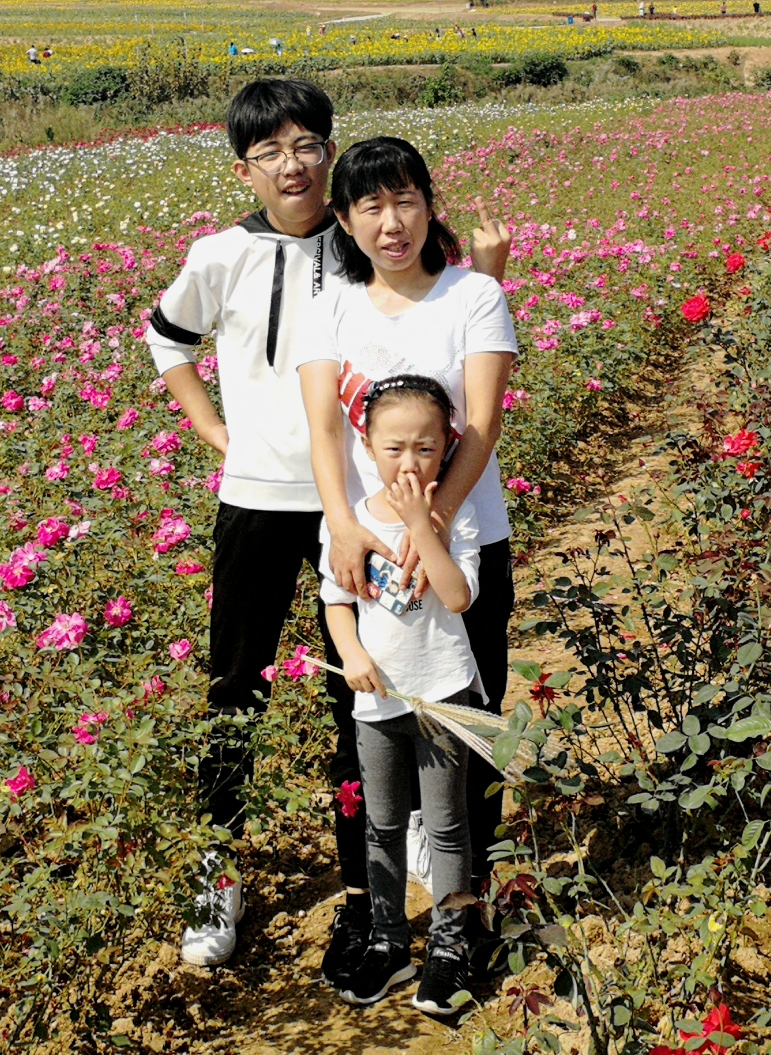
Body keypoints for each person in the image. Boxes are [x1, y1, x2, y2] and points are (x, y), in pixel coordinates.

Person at [147, 81, 511, 972]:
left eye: (308, 145)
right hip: (267, 503)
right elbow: (166, 338)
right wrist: (214, 432)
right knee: (236, 687)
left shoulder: (366, 261)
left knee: (373, 698)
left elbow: (447, 340)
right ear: (247, 167)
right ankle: (217, 871)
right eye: (271, 151)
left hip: (369, 511)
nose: (293, 164)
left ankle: (392, 887)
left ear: (333, 161)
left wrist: (489, 273)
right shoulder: (224, 252)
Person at [297, 136, 520, 967]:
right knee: (378, 726)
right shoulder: (333, 309)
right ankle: (382, 919)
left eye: (405, 201)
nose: (391, 224)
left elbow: (484, 425)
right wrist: (345, 527)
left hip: (464, 543)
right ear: (347, 222)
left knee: (466, 724)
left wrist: (435, 527)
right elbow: (323, 431)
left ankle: (467, 917)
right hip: (365, 556)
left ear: (430, 203)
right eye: (369, 207)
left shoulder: (473, 296)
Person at [318, 375, 485, 1014]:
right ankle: (389, 944)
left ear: (448, 446)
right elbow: (337, 603)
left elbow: (457, 595)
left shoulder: (457, 513)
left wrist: (425, 523)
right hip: (378, 706)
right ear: (366, 446)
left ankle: (448, 949)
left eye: (425, 447)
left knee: (446, 828)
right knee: (382, 827)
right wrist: (352, 654)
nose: (410, 462)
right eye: (394, 448)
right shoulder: (349, 524)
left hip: (444, 694)